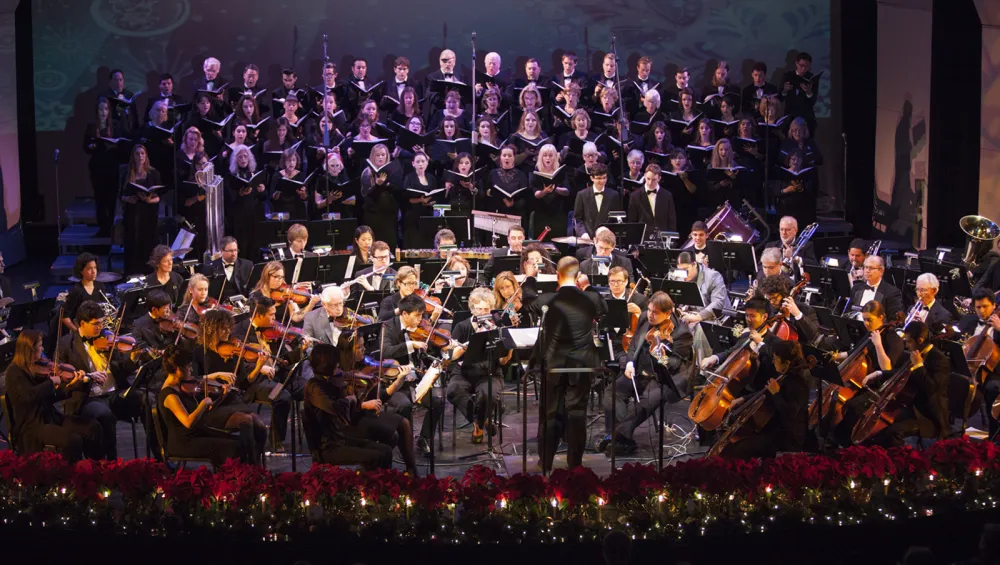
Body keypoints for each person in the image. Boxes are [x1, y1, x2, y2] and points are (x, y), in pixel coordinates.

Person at [599, 291, 693, 454]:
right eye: (649, 310)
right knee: (612, 392)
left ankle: (615, 437)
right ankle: (622, 437)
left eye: (655, 313)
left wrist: (660, 357)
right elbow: (634, 344)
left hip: (661, 378)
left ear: (668, 313)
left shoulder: (681, 333)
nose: (650, 315)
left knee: (645, 403)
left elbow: (675, 363)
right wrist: (629, 363)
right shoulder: (644, 318)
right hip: (637, 372)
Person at [535, 257, 605, 471]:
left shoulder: (547, 299)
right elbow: (604, 308)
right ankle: (575, 465)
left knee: (550, 414)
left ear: (557, 275)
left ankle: (545, 462)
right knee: (577, 413)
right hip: (580, 365)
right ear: (578, 276)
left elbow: (529, 300)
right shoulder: (590, 299)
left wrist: (530, 278)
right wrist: (587, 285)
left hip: (554, 365)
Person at [57, 300, 144, 460]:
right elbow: (64, 379)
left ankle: (159, 456)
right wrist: (88, 377)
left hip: (115, 394)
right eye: (96, 324)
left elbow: (122, 370)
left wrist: (133, 360)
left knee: (147, 400)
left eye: (102, 323)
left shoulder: (107, 339)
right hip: (87, 398)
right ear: (82, 323)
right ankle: (110, 462)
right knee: (104, 415)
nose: (101, 327)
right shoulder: (65, 344)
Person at [4, 330, 103, 460]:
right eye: (40, 345)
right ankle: (73, 476)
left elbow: (53, 397)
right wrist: (51, 382)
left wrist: (73, 385)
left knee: (92, 428)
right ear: (30, 349)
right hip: (32, 426)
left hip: (51, 417)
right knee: (73, 440)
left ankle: (96, 469)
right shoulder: (14, 371)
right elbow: (29, 396)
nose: (43, 348)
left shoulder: (37, 367)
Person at [368, 293, 445, 457]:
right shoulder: (387, 327)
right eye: (417, 315)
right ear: (404, 314)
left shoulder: (420, 328)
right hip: (395, 382)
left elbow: (427, 352)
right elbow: (385, 351)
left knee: (437, 402)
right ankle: (405, 443)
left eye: (422, 315)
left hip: (416, 381)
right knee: (405, 405)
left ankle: (423, 439)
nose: (420, 319)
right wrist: (410, 344)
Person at [157, 344, 261, 466]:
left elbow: (208, 410)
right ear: (177, 369)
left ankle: (249, 473)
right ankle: (238, 477)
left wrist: (222, 396)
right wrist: (203, 403)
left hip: (197, 433)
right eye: (188, 367)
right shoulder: (170, 395)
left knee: (242, 442)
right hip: (184, 442)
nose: (191, 370)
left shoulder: (182, 385)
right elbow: (188, 422)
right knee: (233, 447)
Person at [303, 342, 394, 470]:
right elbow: (335, 408)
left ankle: (379, 485)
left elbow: (352, 411)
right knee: (377, 456)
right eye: (335, 362)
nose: (338, 365)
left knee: (386, 450)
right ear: (327, 364)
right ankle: (370, 486)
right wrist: (348, 398)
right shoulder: (314, 387)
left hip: (340, 440)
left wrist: (367, 389)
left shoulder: (331, 382)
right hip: (327, 448)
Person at [860, 321, 950, 447]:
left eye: (908, 341)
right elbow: (900, 372)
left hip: (927, 415)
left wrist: (919, 366)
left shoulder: (939, 360)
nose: (906, 345)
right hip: (909, 406)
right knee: (877, 425)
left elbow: (932, 388)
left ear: (920, 340)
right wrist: (880, 373)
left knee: (892, 432)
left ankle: (901, 461)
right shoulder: (916, 353)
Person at [718, 340, 811, 459]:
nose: (773, 362)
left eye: (776, 359)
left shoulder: (799, 384)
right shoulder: (784, 374)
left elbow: (790, 414)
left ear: (787, 363)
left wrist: (776, 393)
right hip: (773, 427)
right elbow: (765, 392)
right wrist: (742, 399)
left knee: (741, 448)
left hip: (787, 436)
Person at [232, 295, 297, 450]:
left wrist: (298, 351)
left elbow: (283, 359)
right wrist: (260, 367)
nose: (275, 319)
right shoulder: (239, 331)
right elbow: (238, 361)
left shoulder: (271, 331)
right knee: (282, 396)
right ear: (258, 315)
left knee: (303, 386)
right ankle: (276, 440)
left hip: (276, 375)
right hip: (255, 381)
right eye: (271, 315)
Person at [447, 288, 511, 443]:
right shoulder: (462, 327)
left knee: (487, 394)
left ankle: (478, 426)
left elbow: (503, 361)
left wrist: (509, 346)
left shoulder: (496, 327)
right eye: (479, 309)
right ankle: (481, 421)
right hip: (464, 372)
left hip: (489, 371)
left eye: (487, 309)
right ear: (472, 309)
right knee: (453, 391)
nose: (483, 313)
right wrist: (468, 344)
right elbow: (451, 357)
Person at [959, 288, 1000, 437]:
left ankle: (994, 434)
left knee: (992, 388)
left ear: (994, 306)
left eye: (985, 306)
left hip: (994, 372)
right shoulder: (968, 322)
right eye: (978, 307)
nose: (982, 311)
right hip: (969, 369)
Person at [84, 97, 127, 237]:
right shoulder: (92, 126)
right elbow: (85, 147)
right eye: (101, 109)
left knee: (111, 198)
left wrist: (116, 144)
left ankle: (110, 226)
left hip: (112, 166)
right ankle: (103, 227)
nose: (104, 112)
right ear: (97, 110)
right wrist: (92, 146)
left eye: (106, 109)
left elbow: (122, 145)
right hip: (97, 167)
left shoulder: (115, 125)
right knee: (100, 198)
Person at [120, 144, 163, 274]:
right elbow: (120, 195)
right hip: (132, 213)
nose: (140, 156)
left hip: (148, 213)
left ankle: (148, 272)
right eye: (137, 154)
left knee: (148, 242)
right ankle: (131, 272)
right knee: (132, 242)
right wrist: (127, 199)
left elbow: (159, 197)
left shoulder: (153, 173)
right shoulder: (126, 173)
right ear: (133, 156)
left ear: (146, 156)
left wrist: (150, 200)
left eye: (142, 153)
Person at [226, 144, 267, 261]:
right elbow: (229, 200)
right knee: (242, 245)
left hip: (254, 216)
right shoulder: (232, 176)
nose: (243, 159)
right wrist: (240, 194)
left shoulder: (254, 173)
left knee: (254, 246)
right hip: (239, 217)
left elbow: (263, 198)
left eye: (245, 156)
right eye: (240, 157)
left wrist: (262, 190)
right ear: (235, 159)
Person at [360, 143, 404, 250]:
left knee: (390, 244)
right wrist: (378, 186)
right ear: (373, 157)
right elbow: (367, 196)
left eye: (383, 155)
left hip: (389, 215)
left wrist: (387, 185)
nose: (380, 157)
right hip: (374, 215)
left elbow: (399, 191)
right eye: (378, 155)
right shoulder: (367, 173)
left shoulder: (393, 171)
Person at [758, 274, 820, 344]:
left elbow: (816, 336)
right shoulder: (768, 308)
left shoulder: (806, 310)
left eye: (774, 298)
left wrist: (797, 314)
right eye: (769, 299)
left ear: (784, 294)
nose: (771, 302)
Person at [674, 251, 729, 325]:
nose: (683, 274)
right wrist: (679, 309)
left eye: (685, 269)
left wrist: (698, 317)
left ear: (694, 265)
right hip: (690, 314)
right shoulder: (679, 276)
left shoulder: (713, 276)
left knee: (698, 328)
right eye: (680, 270)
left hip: (715, 317)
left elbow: (717, 303)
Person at [572, 163, 622, 240]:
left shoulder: (614, 195)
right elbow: (577, 219)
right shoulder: (582, 195)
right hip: (587, 240)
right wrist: (583, 234)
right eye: (598, 178)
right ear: (592, 178)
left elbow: (616, 219)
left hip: (606, 240)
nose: (602, 181)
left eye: (604, 178)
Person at [61, 252, 108, 332]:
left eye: (95, 267)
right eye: (89, 268)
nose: (93, 271)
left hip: (98, 329)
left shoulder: (100, 286)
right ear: (81, 271)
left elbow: (104, 310)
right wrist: (78, 332)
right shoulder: (76, 290)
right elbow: (65, 317)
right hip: (83, 331)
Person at [848, 255, 904, 319]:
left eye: (871, 268)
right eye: (866, 267)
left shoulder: (892, 293)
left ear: (881, 271)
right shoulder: (856, 288)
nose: (867, 271)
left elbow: (894, 319)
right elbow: (849, 312)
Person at [627, 163, 677, 234]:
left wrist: (671, 240)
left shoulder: (667, 195)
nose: (650, 183)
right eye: (648, 179)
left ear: (659, 178)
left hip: (662, 238)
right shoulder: (635, 196)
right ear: (644, 176)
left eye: (653, 180)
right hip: (643, 238)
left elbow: (671, 220)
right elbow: (632, 221)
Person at [206, 236, 254, 302]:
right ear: (221, 251)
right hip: (220, 306)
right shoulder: (211, 267)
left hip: (242, 304)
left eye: (235, 250)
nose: (234, 254)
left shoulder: (247, 265)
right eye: (231, 251)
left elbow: (252, 289)